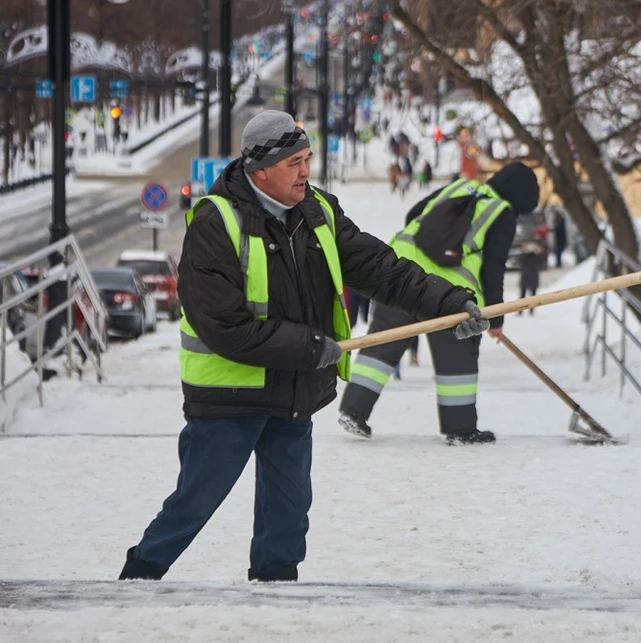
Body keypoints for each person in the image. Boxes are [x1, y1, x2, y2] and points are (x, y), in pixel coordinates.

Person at [118, 110, 487, 583]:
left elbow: (383, 270)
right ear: (261, 169)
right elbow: (223, 325)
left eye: (308, 159)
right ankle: (137, 580)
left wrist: (450, 302)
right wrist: (310, 348)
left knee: (288, 517)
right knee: (194, 504)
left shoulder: (320, 212)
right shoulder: (217, 223)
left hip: (293, 393)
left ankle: (276, 598)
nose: (305, 171)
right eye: (294, 162)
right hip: (229, 399)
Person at [338, 162, 540, 445]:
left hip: (401, 273)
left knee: (381, 344)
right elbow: (493, 268)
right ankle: (460, 429)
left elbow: (414, 213)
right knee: (457, 356)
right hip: (451, 294)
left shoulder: (458, 186)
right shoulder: (501, 213)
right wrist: (496, 319)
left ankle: (353, 410)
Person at [517, 233, 547, 314]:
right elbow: (519, 260)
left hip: (534, 275)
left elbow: (543, 261)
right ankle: (520, 310)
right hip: (525, 275)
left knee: (533, 295)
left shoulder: (537, 255)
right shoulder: (524, 255)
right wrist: (525, 252)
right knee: (522, 294)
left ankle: (532, 310)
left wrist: (539, 252)